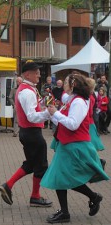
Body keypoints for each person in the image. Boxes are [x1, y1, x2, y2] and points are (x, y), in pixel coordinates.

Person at [43, 74, 109, 223]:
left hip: (74, 145)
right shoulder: (72, 99)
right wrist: (51, 113)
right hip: (68, 144)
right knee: (64, 177)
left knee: (61, 177)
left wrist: (56, 113)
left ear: (72, 85)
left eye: (66, 81)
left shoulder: (78, 102)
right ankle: (91, 198)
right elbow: (62, 120)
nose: (64, 83)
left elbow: (73, 124)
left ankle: (67, 212)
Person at [0, 61, 52, 207]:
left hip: (27, 132)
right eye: (36, 73)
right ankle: (35, 196)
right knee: (41, 165)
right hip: (32, 132)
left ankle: (8, 185)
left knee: (31, 164)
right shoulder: (27, 91)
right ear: (27, 74)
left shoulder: (27, 89)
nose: (39, 75)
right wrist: (47, 113)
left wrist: (44, 107)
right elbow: (31, 116)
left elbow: (34, 111)